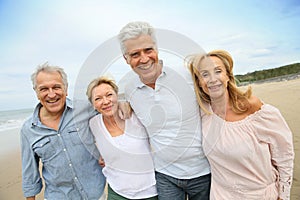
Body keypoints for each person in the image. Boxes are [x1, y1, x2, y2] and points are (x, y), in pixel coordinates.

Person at [117, 21, 211, 200]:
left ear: (157, 49)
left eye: (148, 50)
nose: (144, 59)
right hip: (165, 175)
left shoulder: (186, 75)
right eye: (135, 54)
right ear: (126, 59)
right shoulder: (129, 89)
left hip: (204, 171)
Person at [187, 49, 294, 199]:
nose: (212, 79)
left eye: (218, 71)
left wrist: (283, 195)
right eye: (204, 74)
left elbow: (284, 155)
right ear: (199, 82)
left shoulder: (254, 109)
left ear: (228, 76)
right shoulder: (203, 113)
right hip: (221, 195)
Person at [20, 63, 106, 200]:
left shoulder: (86, 109)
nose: (51, 94)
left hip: (96, 194)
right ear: (36, 92)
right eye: (44, 89)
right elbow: (30, 173)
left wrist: (107, 152)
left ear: (65, 89)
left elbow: (113, 120)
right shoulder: (28, 129)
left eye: (56, 87)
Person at [86, 76, 158, 200]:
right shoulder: (93, 124)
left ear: (117, 95)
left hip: (151, 190)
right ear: (93, 104)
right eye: (98, 98)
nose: (105, 101)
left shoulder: (135, 115)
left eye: (109, 95)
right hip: (117, 192)